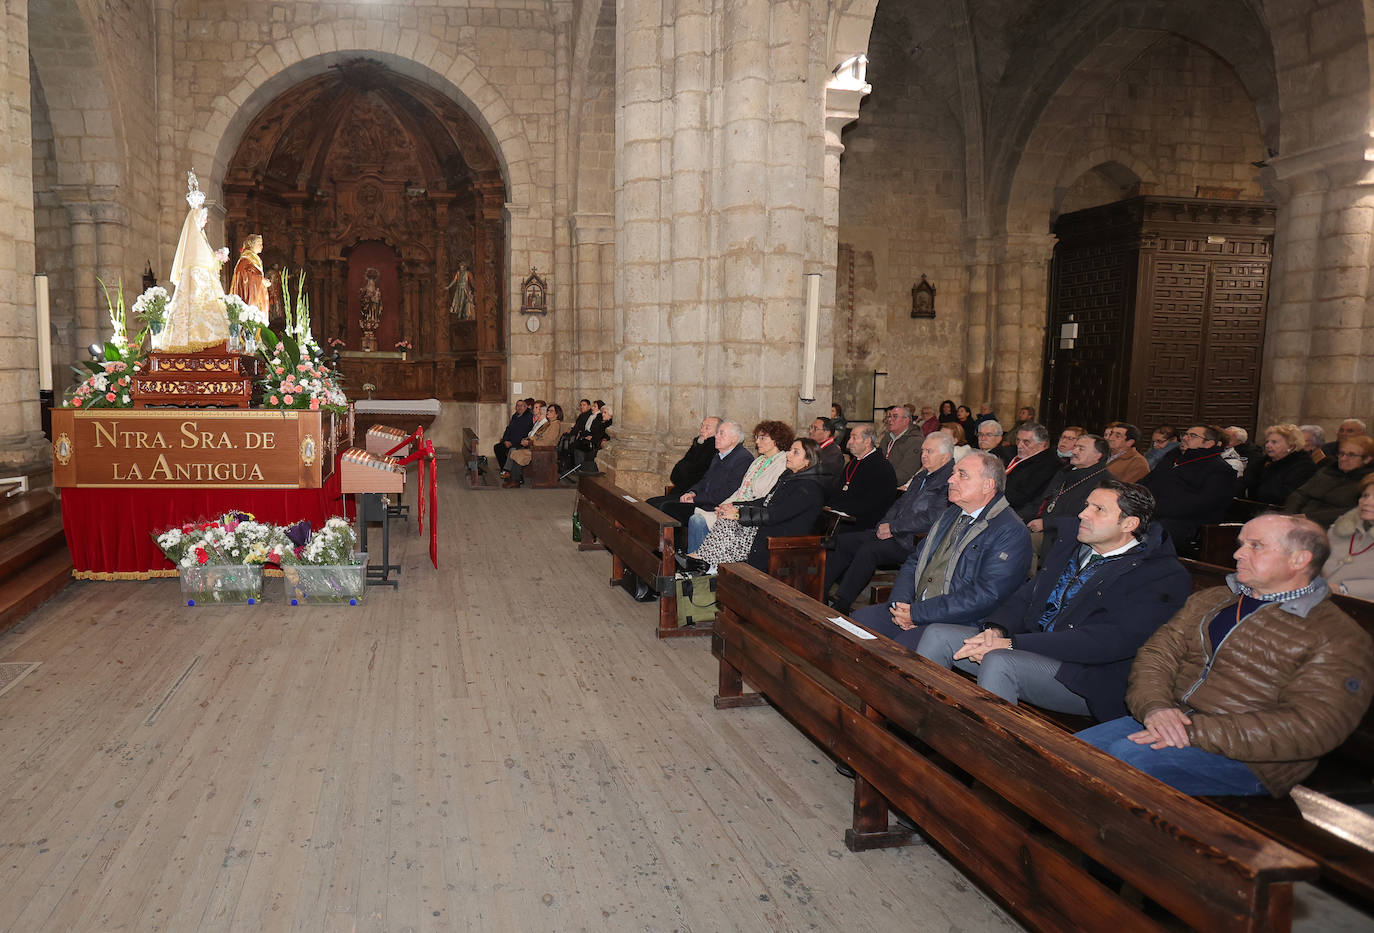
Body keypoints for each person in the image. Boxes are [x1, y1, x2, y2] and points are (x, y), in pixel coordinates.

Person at [1077, 514, 1374, 797]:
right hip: (1168, 719)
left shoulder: (1338, 636)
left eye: (1255, 546)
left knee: (1123, 761)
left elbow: (1313, 726)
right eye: (1241, 544)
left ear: (1299, 559)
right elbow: (1157, 654)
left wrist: (1191, 731)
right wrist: (1155, 707)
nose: (1237, 555)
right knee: (1071, 752)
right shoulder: (1214, 599)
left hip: (1254, 759)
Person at [917, 480, 1190, 719]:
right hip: (1032, 646)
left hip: (1086, 677)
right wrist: (995, 630)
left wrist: (1012, 644)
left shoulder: (1159, 575)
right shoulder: (1075, 546)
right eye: (1086, 505)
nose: (1083, 514)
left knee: (1000, 661)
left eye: (1098, 509)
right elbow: (1025, 597)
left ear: (1129, 524)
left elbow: (1108, 642)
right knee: (938, 635)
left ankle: (989, 762)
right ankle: (921, 723)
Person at [849, 451, 1032, 650]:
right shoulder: (951, 514)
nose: (951, 479)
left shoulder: (1010, 531)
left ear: (988, 485)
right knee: (858, 622)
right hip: (917, 608)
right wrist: (900, 604)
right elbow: (915, 561)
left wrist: (918, 614)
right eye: (953, 473)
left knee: (903, 649)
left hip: (961, 621)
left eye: (962, 475)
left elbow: (985, 595)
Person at [825, 432, 955, 613]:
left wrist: (893, 528)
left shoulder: (949, 481)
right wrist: (884, 525)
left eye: (929, 451)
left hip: (915, 541)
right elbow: (900, 503)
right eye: (923, 450)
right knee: (844, 542)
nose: (923, 455)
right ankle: (821, 593)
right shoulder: (922, 475)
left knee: (869, 550)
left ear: (945, 457)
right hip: (896, 532)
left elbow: (931, 518)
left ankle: (842, 603)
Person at [691, 439, 829, 572]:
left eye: (795, 452)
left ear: (808, 461)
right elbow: (766, 501)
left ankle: (709, 562)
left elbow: (776, 514)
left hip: (782, 538)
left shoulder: (809, 488)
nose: (788, 453)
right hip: (771, 526)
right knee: (726, 516)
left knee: (730, 522)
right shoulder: (789, 476)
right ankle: (710, 561)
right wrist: (733, 505)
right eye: (790, 450)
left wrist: (738, 514)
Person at [685, 421, 792, 552]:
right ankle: (698, 562)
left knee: (699, 521)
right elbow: (741, 489)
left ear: (776, 440)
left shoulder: (782, 463)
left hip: (752, 513)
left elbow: (766, 497)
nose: (757, 442)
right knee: (697, 518)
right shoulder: (759, 461)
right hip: (739, 505)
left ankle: (706, 563)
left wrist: (735, 508)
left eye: (762, 438)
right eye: (757, 438)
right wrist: (725, 505)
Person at [157, 170, 231, 353]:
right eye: (204, 218)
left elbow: (205, 258)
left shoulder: (200, 238)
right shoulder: (195, 237)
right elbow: (201, 261)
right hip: (198, 285)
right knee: (199, 314)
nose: (205, 222)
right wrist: (217, 258)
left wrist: (216, 257)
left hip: (201, 281)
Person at [1139, 424, 1237, 548]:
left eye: (1193, 436)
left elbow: (1201, 504)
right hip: (1154, 513)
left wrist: (1153, 509)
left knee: (1149, 532)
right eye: (1185, 434)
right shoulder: (1173, 458)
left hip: (1186, 524)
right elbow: (1146, 482)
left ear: (1208, 443)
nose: (1185, 438)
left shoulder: (1220, 470)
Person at [656, 421, 754, 531]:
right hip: (704, 502)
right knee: (662, 506)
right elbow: (705, 480)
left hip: (716, 507)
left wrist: (696, 499)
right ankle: (674, 546)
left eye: (721, 433)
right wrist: (692, 492)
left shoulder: (742, 458)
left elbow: (728, 491)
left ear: (734, 439)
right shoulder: (719, 456)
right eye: (717, 433)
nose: (716, 436)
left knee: (668, 508)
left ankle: (676, 547)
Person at [1028, 434, 1112, 553]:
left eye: (1081, 449)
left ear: (1098, 455)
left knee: (1022, 542)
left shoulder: (1105, 483)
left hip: (1067, 536)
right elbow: (1043, 500)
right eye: (1075, 447)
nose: (1074, 451)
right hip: (1043, 527)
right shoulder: (1065, 472)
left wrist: (1047, 524)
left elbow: (1088, 519)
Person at [1285, 433, 1374, 528]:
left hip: (1334, 527)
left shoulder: (1368, 482)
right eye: (1341, 453)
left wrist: (1308, 517)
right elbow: (1300, 494)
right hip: (1300, 520)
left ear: (1367, 459)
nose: (1343, 458)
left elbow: (1355, 510)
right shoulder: (1327, 470)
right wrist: (1289, 515)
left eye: (1351, 455)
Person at [828, 424, 898, 531]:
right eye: (850, 437)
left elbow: (872, 504)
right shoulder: (853, 463)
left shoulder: (881, 467)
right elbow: (840, 489)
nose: (849, 442)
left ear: (867, 441)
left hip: (864, 525)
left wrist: (839, 508)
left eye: (854, 438)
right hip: (843, 517)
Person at [1241, 423, 1319, 505]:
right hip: (1257, 506)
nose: (1268, 445)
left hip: (1279, 511)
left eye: (1274, 442)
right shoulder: (1266, 461)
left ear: (1291, 447)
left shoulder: (1304, 466)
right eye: (1267, 442)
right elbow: (1246, 480)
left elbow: (1285, 496)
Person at [1323, 475, 1374, 598]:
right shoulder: (1341, 527)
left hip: (1359, 606)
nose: (1366, 502)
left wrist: (1344, 589)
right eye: (1365, 496)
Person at [1003, 423, 1062, 522]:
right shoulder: (1013, 455)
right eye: (1018, 440)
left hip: (1017, 515)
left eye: (1026, 442)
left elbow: (1024, 497)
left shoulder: (1048, 466)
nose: (1019, 445)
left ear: (1042, 444)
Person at [655, 416, 720, 498]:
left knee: (658, 506)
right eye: (702, 426)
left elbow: (694, 476)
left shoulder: (714, 450)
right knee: (649, 504)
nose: (702, 430)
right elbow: (675, 474)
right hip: (682, 490)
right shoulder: (699, 444)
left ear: (718, 433)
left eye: (707, 428)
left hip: (695, 495)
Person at [504, 402, 562, 487]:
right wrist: (528, 439)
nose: (548, 412)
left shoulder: (555, 425)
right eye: (548, 410)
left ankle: (515, 480)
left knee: (518, 454)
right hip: (538, 448)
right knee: (516, 452)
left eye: (551, 411)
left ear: (557, 414)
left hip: (544, 451)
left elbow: (547, 441)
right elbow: (538, 435)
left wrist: (530, 442)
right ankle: (515, 478)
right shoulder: (549, 424)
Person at [877, 405, 923, 486]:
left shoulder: (916, 441)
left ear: (906, 420)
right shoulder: (887, 438)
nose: (890, 420)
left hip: (897, 488)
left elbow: (905, 473)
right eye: (889, 417)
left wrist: (879, 483)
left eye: (895, 417)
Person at [229, 233, 269, 316]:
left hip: (257, 295)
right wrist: (261, 280)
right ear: (252, 244)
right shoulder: (245, 260)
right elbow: (244, 275)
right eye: (259, 244)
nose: (262, 246)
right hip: (248, 298)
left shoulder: (254, 259)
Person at [493, 399, 533, 472]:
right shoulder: (515, 415)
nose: (519, 407)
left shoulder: (528, 417)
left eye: (521, 406)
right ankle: (505, 469)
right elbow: (508, 429)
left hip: (520, 442)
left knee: (512, 450)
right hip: (510, 441)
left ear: (525, 407)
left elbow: (524, 433)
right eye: (517, 406)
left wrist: (512, 442)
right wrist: (505, 440)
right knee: (498, 447)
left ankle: (507, 470)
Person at [807, 417, 845, 489]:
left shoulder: (833, 454)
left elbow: (823, 478)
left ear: (827, 433)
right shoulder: (815, 447)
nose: (811, 431)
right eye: (811, 427)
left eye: (815, 428)